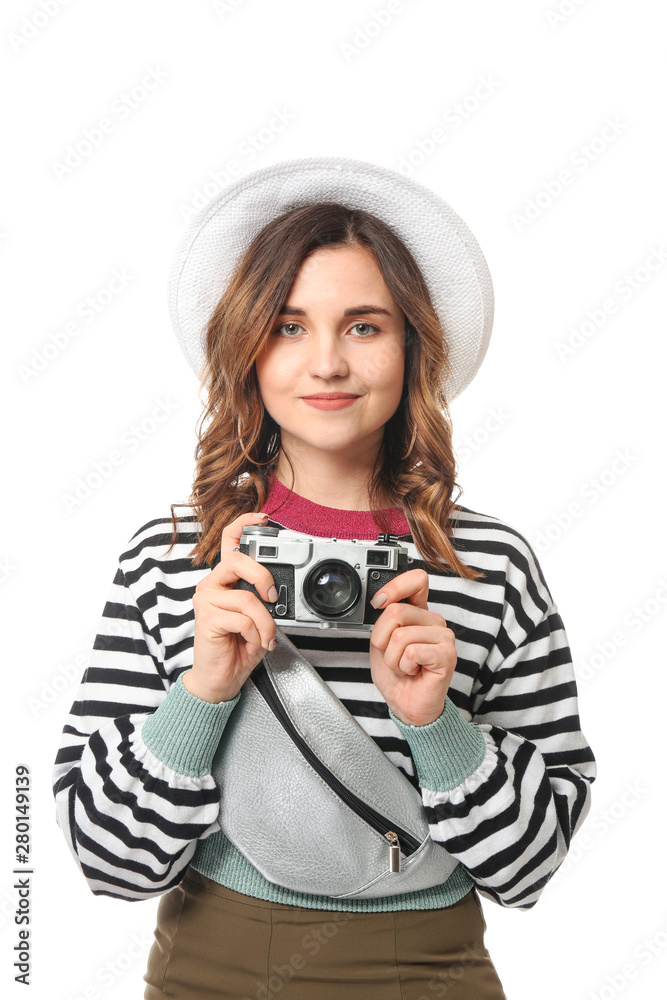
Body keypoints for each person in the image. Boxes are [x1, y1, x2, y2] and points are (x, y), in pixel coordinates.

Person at [52, 157, 596, 999]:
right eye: (289, 325)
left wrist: (435, 723)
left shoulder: (489, 567)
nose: (328, 365)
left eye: (365, 326)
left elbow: (531, 867)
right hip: (211, 969)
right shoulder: (173, 560)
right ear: (247, 348)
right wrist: (201, 693)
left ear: (414, 345)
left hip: (432, 970)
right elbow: (106, 863)